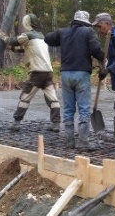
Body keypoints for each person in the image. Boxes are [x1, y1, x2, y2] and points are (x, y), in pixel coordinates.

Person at [44, 10, 104, 152]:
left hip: (65, 74)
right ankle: (83, 142)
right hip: (81, 74)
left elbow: (47, 39)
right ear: (86, 22)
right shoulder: (88, 32)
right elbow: (96, 50)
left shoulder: (63, 32)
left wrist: (61, 35)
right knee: (83, 109)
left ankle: (69, 141)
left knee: (69, 109)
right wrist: (103, 58)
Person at [0, 13, 61, 132]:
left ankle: (16, 122)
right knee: (53, 98)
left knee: (25, 97)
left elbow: (12, 41)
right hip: (48, 72)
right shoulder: (41, 37)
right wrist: (12, 49)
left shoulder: (27, 35)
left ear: (27, 23)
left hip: (37, 72)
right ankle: (56, 124)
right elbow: (26, 49)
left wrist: (2, 37)